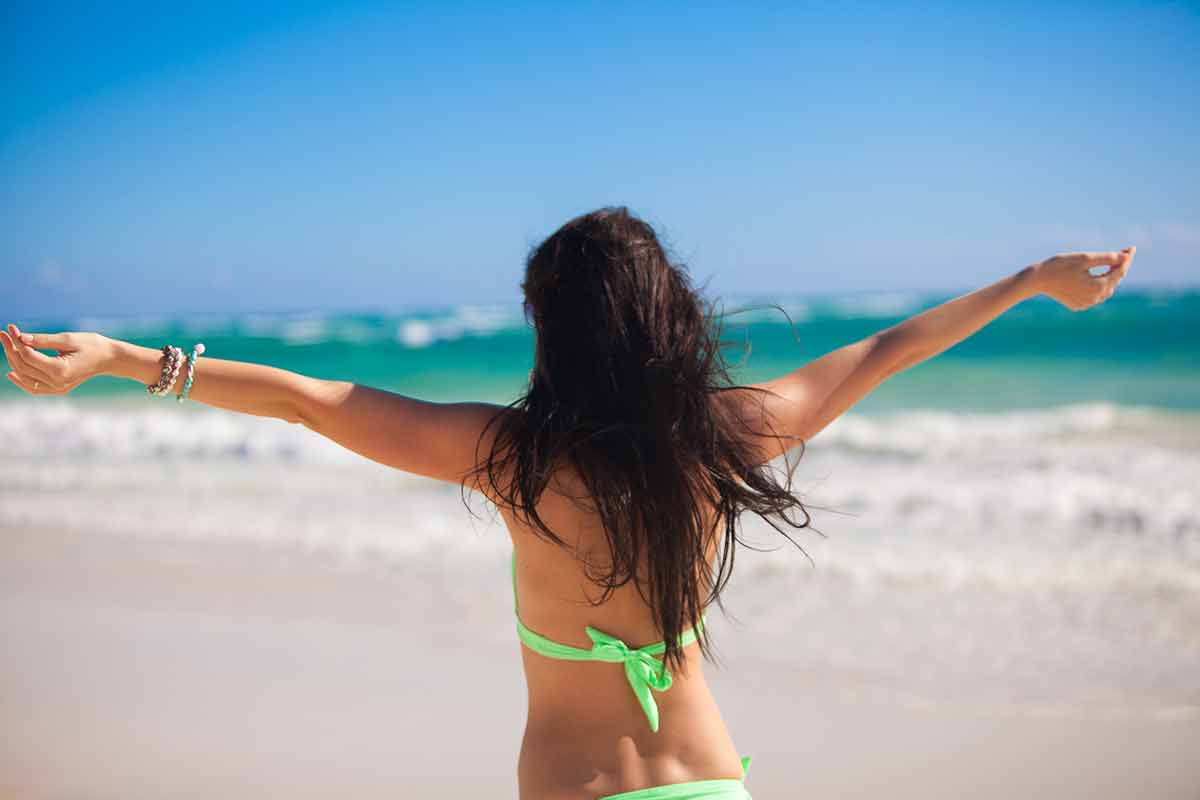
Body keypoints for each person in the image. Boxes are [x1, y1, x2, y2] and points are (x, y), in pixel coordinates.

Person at [0, 208, 1134, 799]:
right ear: (666, 316)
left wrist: (119, 358)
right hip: (712, 785)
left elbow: (311, 398)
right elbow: (890, 346)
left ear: (550, 326)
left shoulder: (508, 457)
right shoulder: (729, 434)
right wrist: (1034, 278)